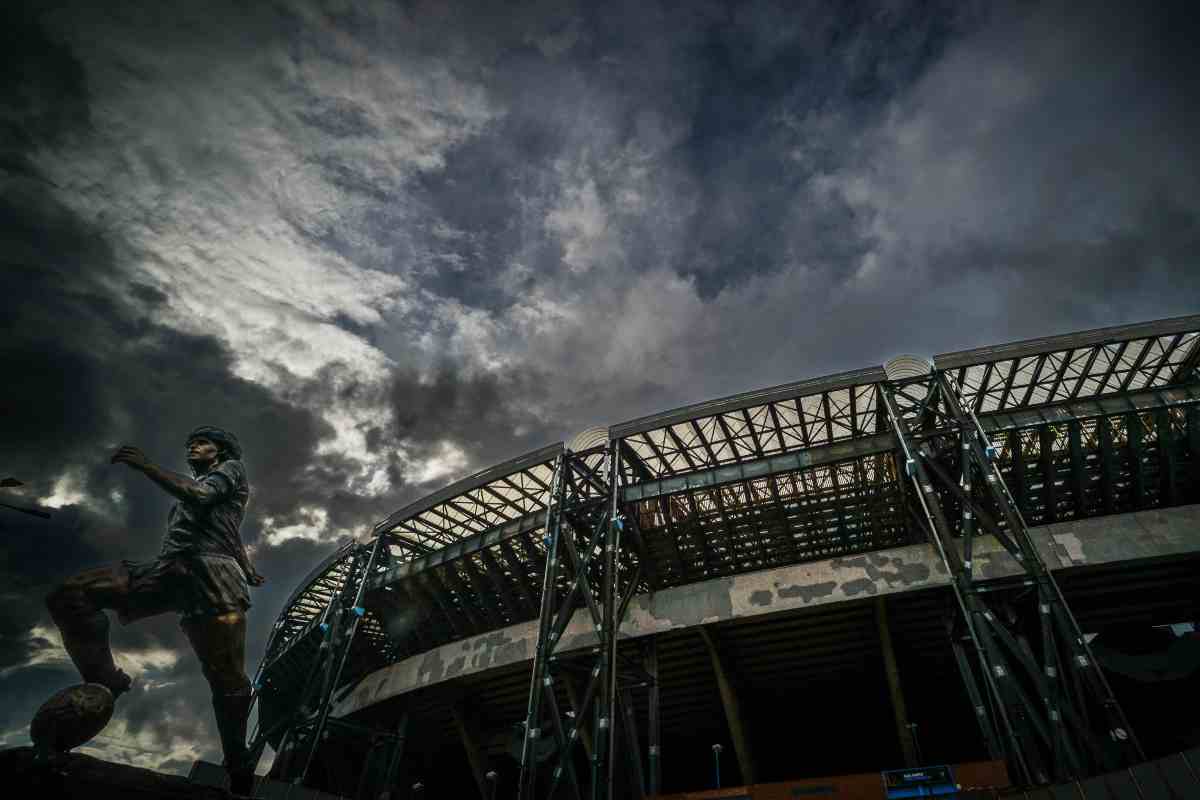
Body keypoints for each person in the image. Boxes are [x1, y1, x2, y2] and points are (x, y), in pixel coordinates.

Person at [45, 426, 264, 796]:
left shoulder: (231, 470)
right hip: (171, 569)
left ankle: (238, 761)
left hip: (210, 576)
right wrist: (247, 564)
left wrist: (147, 466)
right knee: (70, 595)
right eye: (190, 442)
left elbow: (200, 494)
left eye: (202, 442)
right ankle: (106, 679)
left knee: (225, 679)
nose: (193, 447)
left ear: (222, 451)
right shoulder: (205, 493)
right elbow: (230, 528)